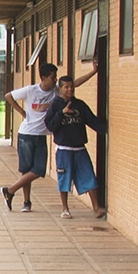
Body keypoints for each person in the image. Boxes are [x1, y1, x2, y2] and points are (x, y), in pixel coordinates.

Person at [1, 62, 97, 212]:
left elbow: (75, 83)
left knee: (39, 170)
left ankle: (10, 190)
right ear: (44, 78)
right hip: (26, 135)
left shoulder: (55, 91)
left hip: (41, 135)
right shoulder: (30, 90)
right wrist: (22, 112)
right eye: (53, 77)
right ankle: (26, 202)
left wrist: (93, 72)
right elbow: (9, 96)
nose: (55, 80)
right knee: (27, 170)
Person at [44, 76, 107, 219]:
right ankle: (65, 208)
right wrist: (62, 113)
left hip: (80, 148)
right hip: (64, 149)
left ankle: (96, 208)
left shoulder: (80, 105)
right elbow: (50, 125)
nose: (70, 89)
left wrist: (105, 128)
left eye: (71, 86)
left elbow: (92, 120)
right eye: (66, 87)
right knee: (64, 178)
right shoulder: (55, 105)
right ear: (60, 88)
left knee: (89, 176)